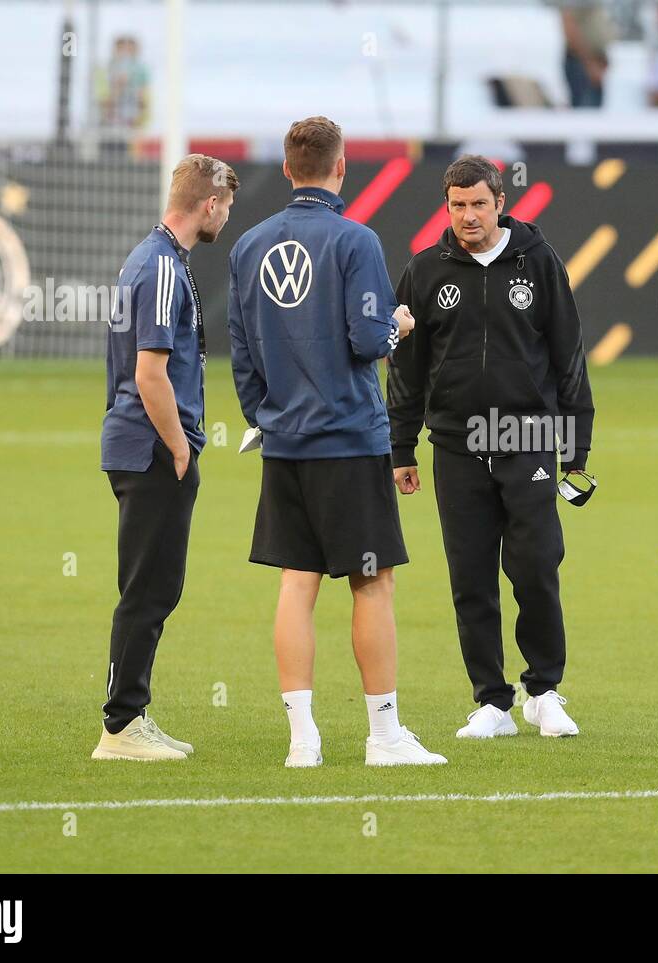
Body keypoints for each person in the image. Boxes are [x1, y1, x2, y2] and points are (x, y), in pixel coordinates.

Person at [228, 116, 445, 769]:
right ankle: (383, 736)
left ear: (291, 167)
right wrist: (400, 325)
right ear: (340, 166)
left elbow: (241, 351)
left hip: (286, 442)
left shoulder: (249, 246)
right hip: (349, 438)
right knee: (372, 581)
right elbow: (365, 337)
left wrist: (265, 416)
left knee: (297, 581)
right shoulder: (357, 241)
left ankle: (303, 740)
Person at [386, 154, 594, 740]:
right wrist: (401, 447)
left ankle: (545, 691)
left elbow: (567, 354)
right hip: (455, 444)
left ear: (500, 203)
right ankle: (491, 701)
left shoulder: (541, 263)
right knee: (470, 574)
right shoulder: (425, 272)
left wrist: (575, 447)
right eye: (457, 205)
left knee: (535, 564)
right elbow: (406, 366)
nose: (469, 215)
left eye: (479, 204)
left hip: (527, 438)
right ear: (445, 207)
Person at [94, 154, 238, 761]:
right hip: (153, 447)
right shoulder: (160, 268)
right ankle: (122, 724)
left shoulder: (150, 258)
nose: (227, 217)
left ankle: (130, 716)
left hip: (139, 443)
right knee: (149, 589)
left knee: (151, 586)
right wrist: (180, 446)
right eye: (226, 207)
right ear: (208, 204)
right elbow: (150, 373)